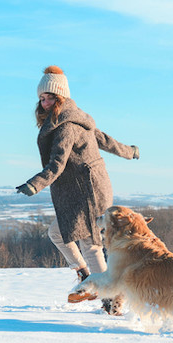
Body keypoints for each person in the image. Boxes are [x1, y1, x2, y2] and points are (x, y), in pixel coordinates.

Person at [16, 65, 139, 313]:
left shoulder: (67, 126)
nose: (44, 102)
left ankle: (110, 297)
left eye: (49, 97)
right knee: (58, 233)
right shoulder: (70, 119)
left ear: (61, 97)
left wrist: (34, 184)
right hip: (79, 187)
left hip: (87, 190)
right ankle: (86, 276)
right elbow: (105, 140)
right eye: (41, 98)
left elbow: (57, 163)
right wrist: (129, 151)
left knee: (89, 242)